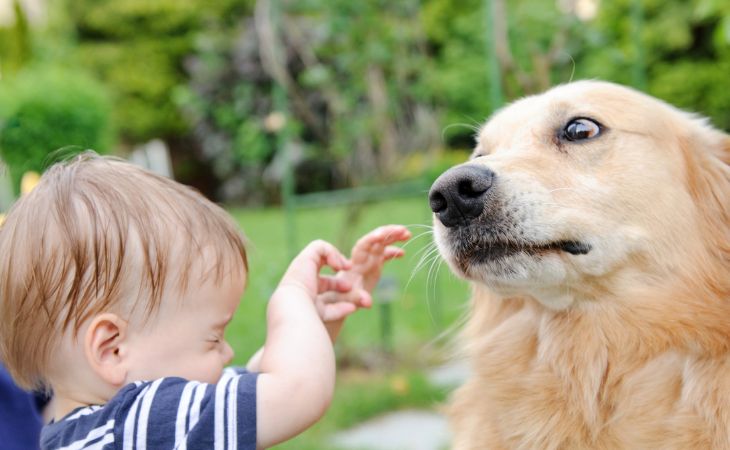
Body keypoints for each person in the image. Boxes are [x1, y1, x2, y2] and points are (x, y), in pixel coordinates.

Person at [0, 153, 411, 449]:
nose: (228, 350)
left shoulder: (91, 432)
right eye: (213, 338)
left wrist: (314, 323)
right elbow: (297, 391)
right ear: (112, 347)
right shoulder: (139, 425)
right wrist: (292, 301)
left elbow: (253, 382)